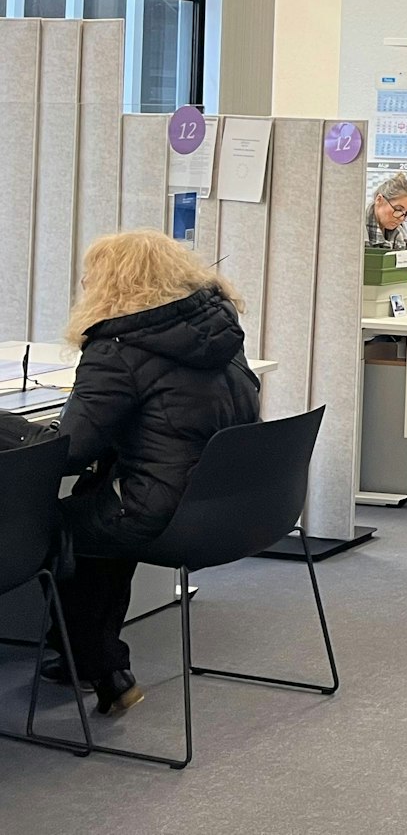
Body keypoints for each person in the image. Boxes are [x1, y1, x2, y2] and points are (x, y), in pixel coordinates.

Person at [40, 231, 261, 713]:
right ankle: (96, 663)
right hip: (229, 504)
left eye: (91, 276)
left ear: (115, 284)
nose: (83, 283)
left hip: (163, 513)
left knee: (47, 525)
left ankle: (98, 664)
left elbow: (72, 449)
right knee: (98, 501)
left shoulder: (117, 347)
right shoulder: (217, 328)